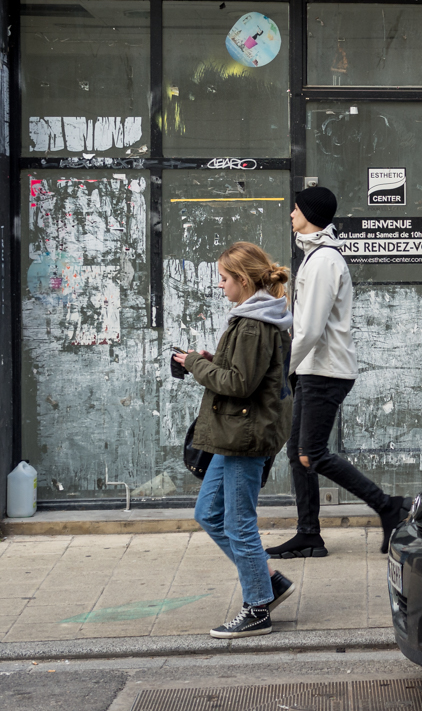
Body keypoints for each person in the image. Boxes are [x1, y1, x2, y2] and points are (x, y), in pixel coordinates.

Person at [265, 187, 408, 560]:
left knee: (311, 453)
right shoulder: (314, 257)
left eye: (295, 208)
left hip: (325, 371)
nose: (291, 214)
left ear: (310, 213)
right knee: (298, 455)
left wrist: (279, 372)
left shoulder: (325, 260)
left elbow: (310, 329)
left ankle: (389, 506)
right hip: (314, 368)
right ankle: (309, 535)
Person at [175, 242, 295, 639]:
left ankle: (257, 608)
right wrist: (209, 360)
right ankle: (270, 581)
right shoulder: (252, 317)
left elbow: (240, 384)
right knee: (208, 514)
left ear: (243, 281)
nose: (221, 285)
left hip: (246, 434)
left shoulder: (255, 324)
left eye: (224, 279)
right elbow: (242, 372)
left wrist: (195, 364)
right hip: (234, 433)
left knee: (238, 523)